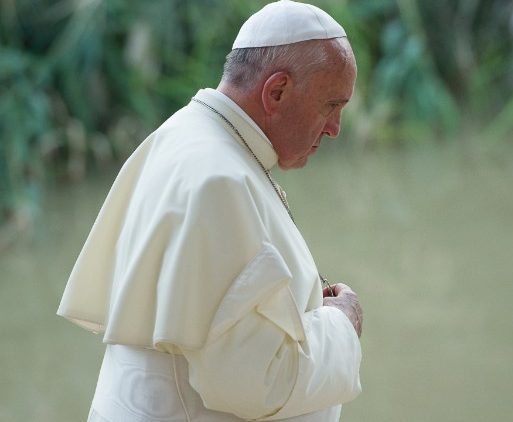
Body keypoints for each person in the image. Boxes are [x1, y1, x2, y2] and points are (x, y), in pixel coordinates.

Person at [56, 1, 364, 421]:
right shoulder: (218, 179)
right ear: (276, 91)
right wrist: (341, 326)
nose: (335, 129)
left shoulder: (187, 137)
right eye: (331, 106)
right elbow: (253, 382)